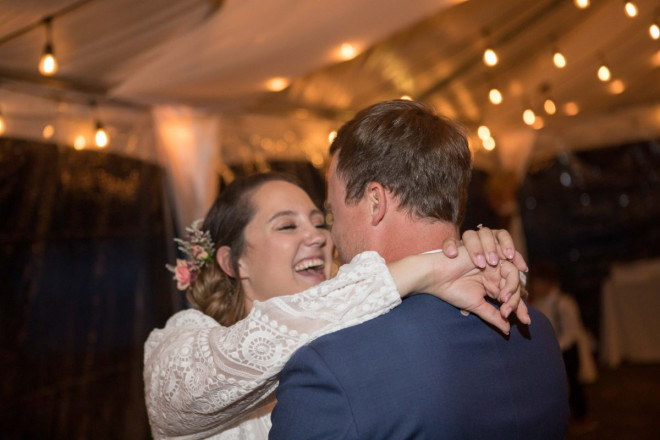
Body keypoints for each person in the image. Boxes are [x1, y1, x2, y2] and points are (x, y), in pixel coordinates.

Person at [144, 172, 528, 439]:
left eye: (318, 221)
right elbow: (184, 396)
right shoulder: (178, 339)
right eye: (287, 226)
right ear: (233, 262)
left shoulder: (357, 322)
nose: (317, 236)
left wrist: (486, 259)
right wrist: (430, 266)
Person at [269, 99, 570, 439]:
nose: (332, 234)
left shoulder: (330, 367)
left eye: (333, 213)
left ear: (374, 203)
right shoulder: (537, 329)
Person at [529, 261, 597, 431]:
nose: (535, 287)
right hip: (551, 350)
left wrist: (553, 347)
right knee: (554, 386)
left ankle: (582, 417)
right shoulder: (538, 302)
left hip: (567, 350)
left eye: (538, 282)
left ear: (548, 282)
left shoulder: (564, 302)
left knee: (574, 385)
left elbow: (572, 331)